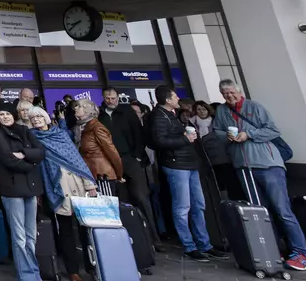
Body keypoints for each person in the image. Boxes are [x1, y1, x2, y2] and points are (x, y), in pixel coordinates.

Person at [212, 79, 306, 271]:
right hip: (243, 167)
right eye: (225, 94)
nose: (229, 96)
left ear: (239, 92)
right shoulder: (222, 111)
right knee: (261, 212)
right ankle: (273, 251)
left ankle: (301, 254)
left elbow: (273, 130)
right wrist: (228, 137)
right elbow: (216, 131)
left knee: (282, 210)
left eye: (232, 92)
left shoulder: (254, 107)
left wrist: (249, 135)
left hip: (268, 165)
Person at [149, 85, 227, 263]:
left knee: (198, 205)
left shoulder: (173, 115)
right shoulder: (159, 116)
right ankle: (189, 246)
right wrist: (185, 138)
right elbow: (159, 141)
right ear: (168, 100)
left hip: (190, 164)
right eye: (175, 96)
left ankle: (204, 244)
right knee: (182, 207)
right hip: (176, 165)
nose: (178, 98)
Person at [0, 102, 49, 281]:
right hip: (12, 188)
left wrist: (24, 154)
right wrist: (30, 163)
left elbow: (41, 152)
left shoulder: (25, 130)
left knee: (31, 235)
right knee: (20, 236)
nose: (5, 117)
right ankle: (26, 279)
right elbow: (7, 159)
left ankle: (36, 275)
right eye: (1, 114)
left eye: (7, 113)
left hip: (30, 188)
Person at [29, 105, 94, 281]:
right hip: (56, 186)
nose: (36, 120)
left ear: (46, 118)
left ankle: (92, 266)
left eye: (39, 117)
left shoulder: (61, 134)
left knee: (85, 230)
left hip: (77, 185)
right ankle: (73, 270)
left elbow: (76, 160)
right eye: (33, 118)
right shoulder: (33, 137)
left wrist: (90, 185)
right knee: (65, 230)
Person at [98, 87, 160, 249]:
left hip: (130, 158)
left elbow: (138, 133)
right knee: (121, 199)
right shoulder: (100, 114)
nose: (110, 101)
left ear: (118, 97)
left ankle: (153, 238)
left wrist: (137, 155)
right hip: (111, 161)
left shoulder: (126, 112)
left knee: (141, 197)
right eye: (107, 98)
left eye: (113, 98)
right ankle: (127, 237)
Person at [76, 98, 124, 185]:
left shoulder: (97, 127)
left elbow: (112, 152)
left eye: (79, 106)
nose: (75, 108)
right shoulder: (85, 127)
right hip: (93, 175)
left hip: (103, 176)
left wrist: (119, 174)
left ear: (88, 110)